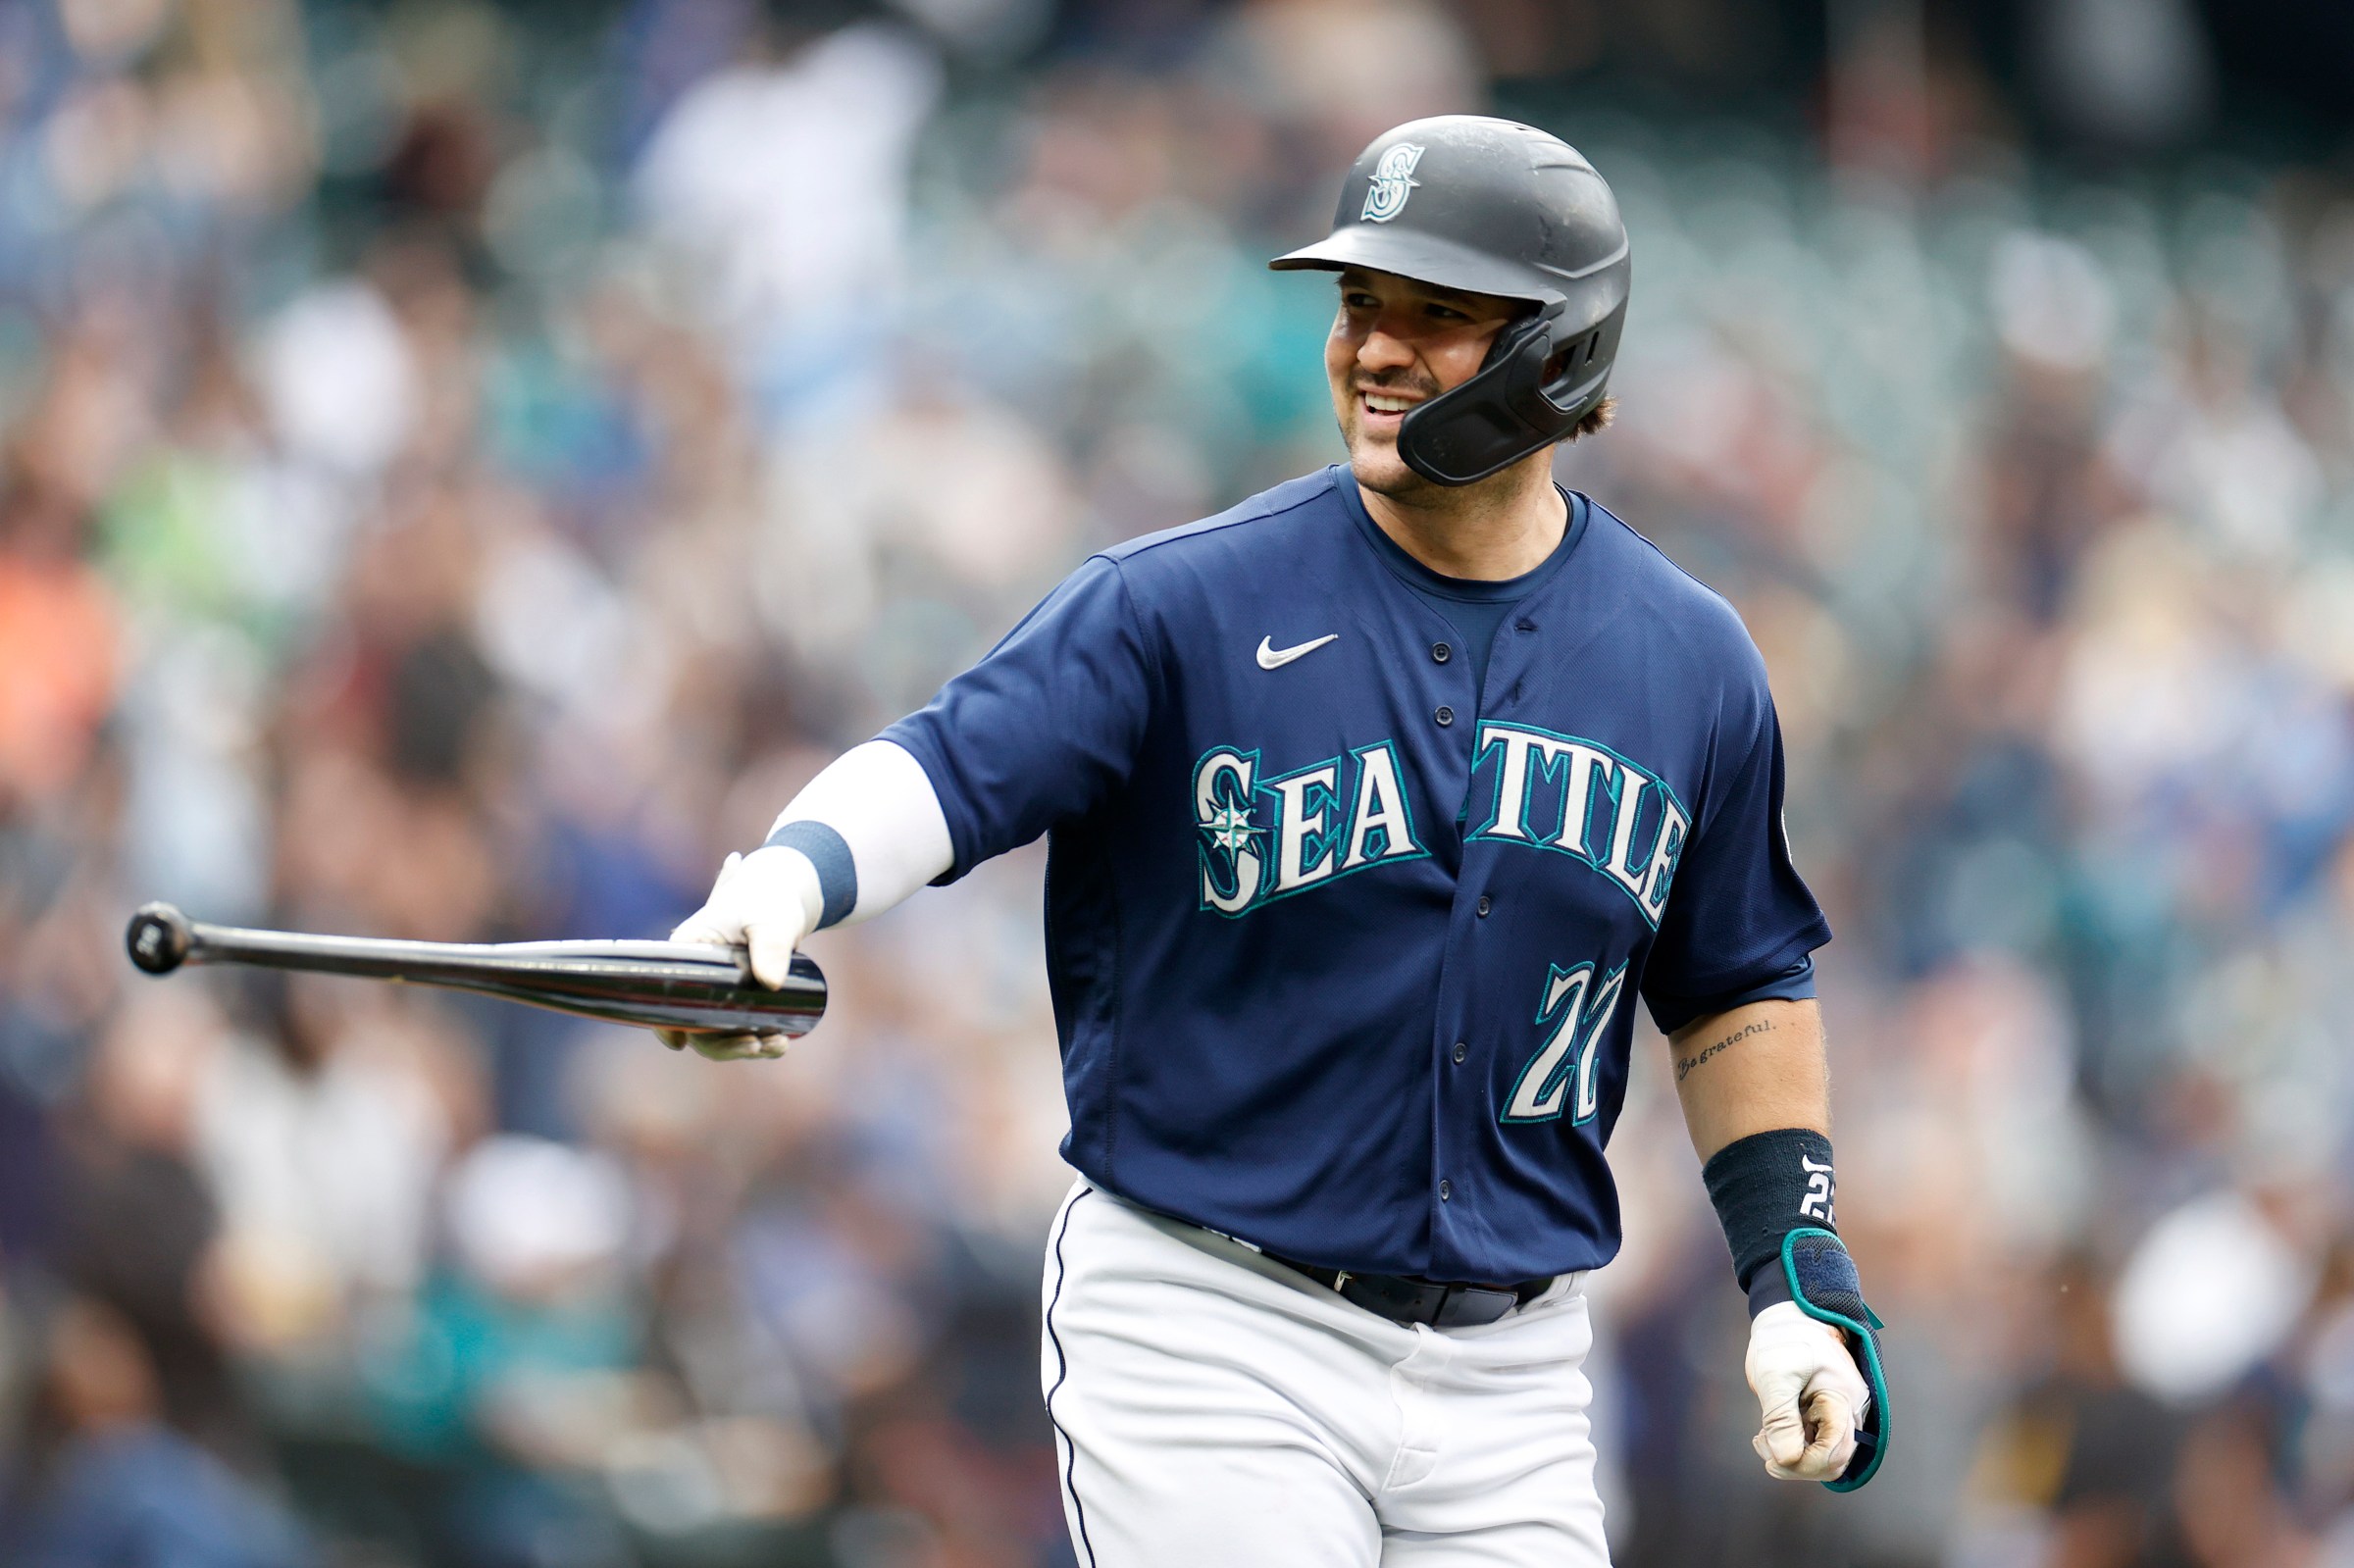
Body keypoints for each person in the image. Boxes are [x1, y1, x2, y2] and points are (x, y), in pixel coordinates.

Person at [661, 115, 1889, 1565]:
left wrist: (1793, 1281)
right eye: (1359, 303)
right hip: (1212, 1326)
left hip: (1515, 1375)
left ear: (1559, 351)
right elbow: (949, 766)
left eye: (1435, 313)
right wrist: (788, 878)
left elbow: (1737, 988)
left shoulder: (1690, 661)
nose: (1375, 349)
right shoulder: (1182, 601)